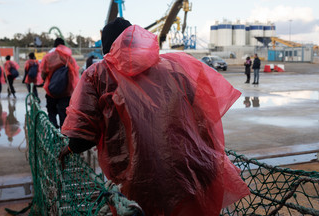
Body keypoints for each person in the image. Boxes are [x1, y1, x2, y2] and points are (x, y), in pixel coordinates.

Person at [59, 18, 249, 215]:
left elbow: (83, 132)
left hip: (140, 182)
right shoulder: (173, 67)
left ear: (107, 46)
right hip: (192, 173)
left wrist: (70, 148)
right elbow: (202, 118)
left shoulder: (97, 74)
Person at [39, 38, 79, 128]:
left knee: (51, 113)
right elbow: (75, 75)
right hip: (66, 93)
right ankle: (63, 137)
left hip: (51, 91)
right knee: (64, 116)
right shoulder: (69, 58)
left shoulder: (48, 57)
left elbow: (43, 74)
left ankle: (52, 134)